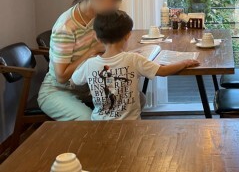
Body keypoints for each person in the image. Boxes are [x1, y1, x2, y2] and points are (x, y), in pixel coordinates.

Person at [38, 0, 126, 121]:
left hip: (87, 86)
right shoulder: (66, 27)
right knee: (87, 121)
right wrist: (92, 51)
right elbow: (61, 77)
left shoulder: (99, 18)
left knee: (132, 100)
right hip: (59, 90)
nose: (116, 6)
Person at [71, 10, 199, 120]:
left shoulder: (89, 64)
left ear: (97, 37)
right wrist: (184, 62)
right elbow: (163, 71)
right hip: (130, 125)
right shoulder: (133, 59)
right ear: (128, 35)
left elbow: (75, 81)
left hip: (99, 125)